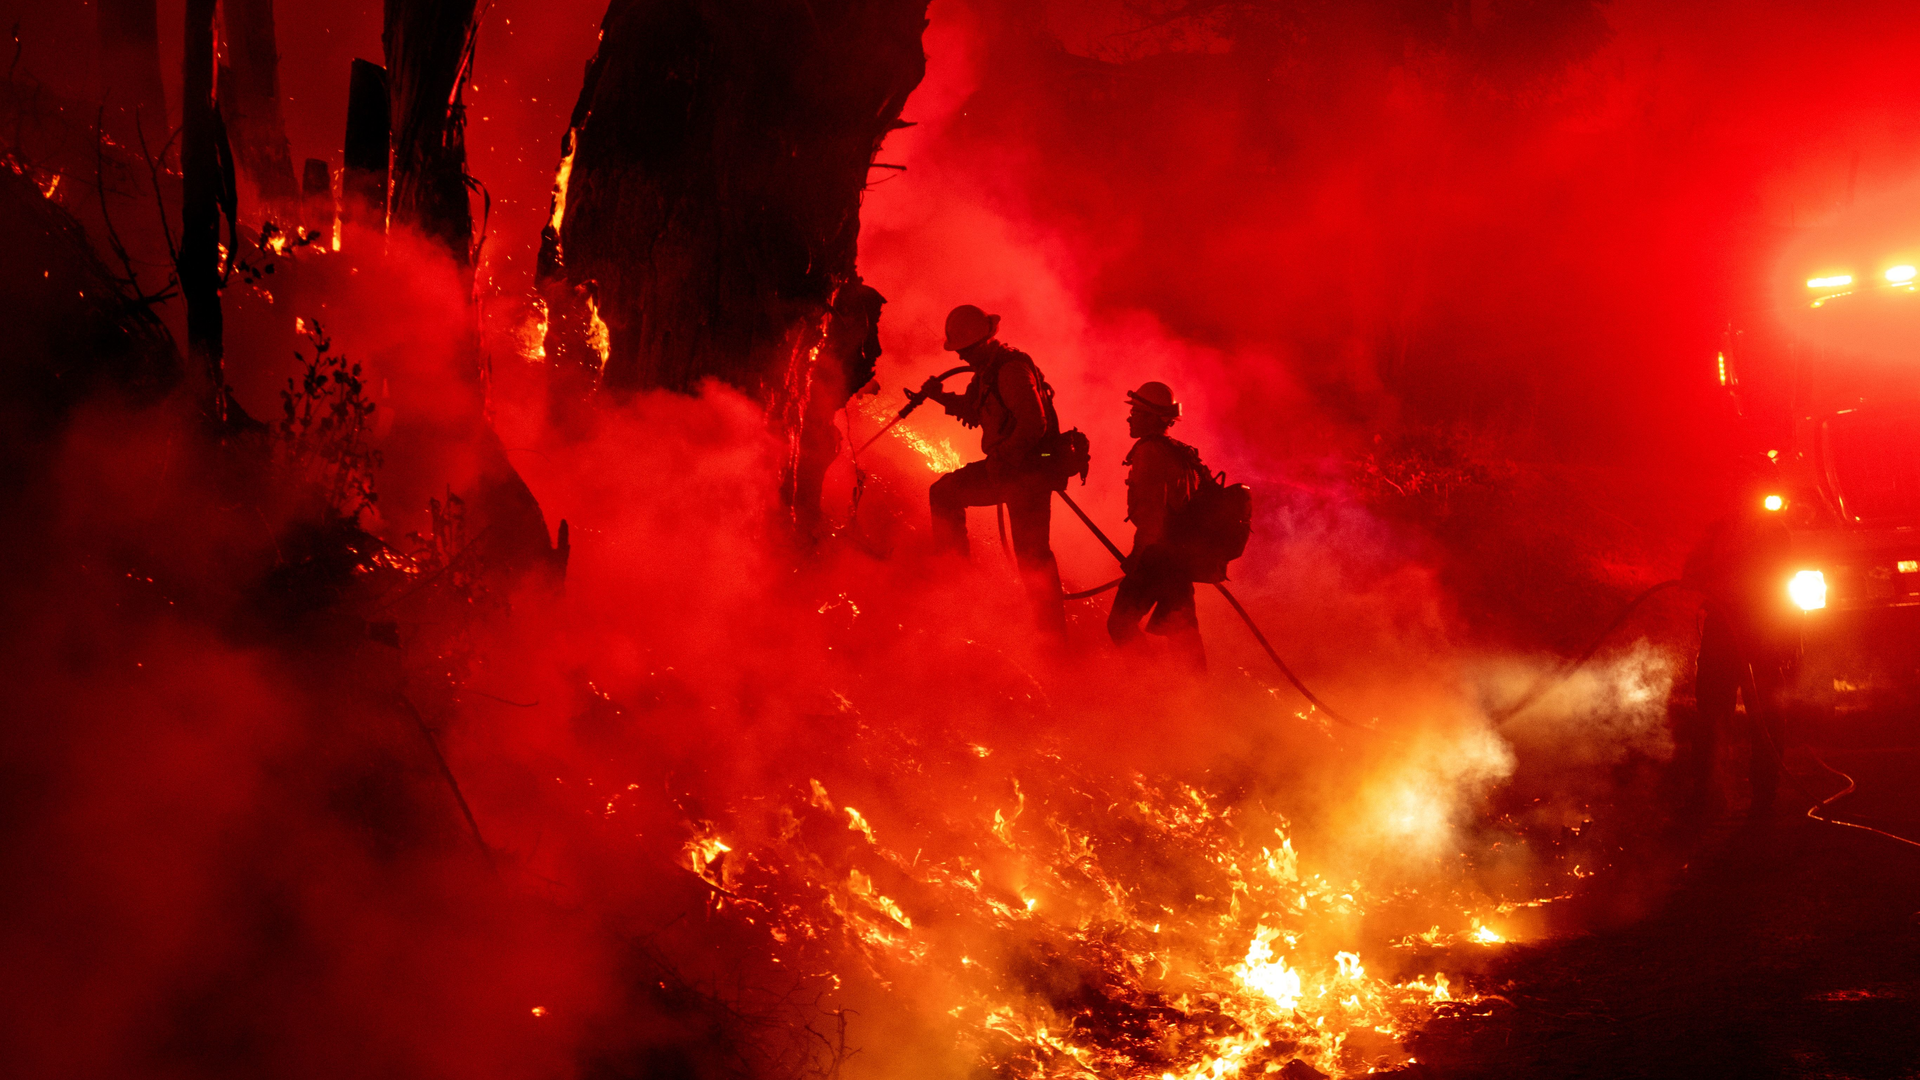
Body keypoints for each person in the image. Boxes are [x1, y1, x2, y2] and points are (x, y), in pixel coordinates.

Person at [923, 305, 1067, 639]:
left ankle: (1054, 646)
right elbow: (975, 412)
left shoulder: (1012, 370)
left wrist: (1004, 455)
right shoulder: (988, 372)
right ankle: (955, 584)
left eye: (964, 351)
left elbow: (1035, 423)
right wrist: (939, 398)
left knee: (1033, 557)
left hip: (1027, 476)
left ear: (982, 343)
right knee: (944, 493)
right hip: (1009, 473)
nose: (961, 358)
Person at [1679, 482, 1798, 819]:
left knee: (1765, 714)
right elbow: (1692, 570)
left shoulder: (1775, 534)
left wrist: (1784, 634)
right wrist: (1703, 577)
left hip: (1761, 629)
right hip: (1723, 628)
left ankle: (1763, 796)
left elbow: (1779, 581)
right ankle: (1708, 793)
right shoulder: (1717, 531)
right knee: (1712, 713)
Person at [1107, 381, 1206, 671]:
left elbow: (1152, 516)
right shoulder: (1180, 452)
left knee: (1119, 624)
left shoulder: (1150, 452)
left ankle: (1152, 685)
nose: (1130, 417)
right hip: (1180, 558)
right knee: (1182, 633)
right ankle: (1197, 698)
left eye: (1136, 411)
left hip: (1157, 557)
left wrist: (1138, 559)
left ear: (1152, 417)